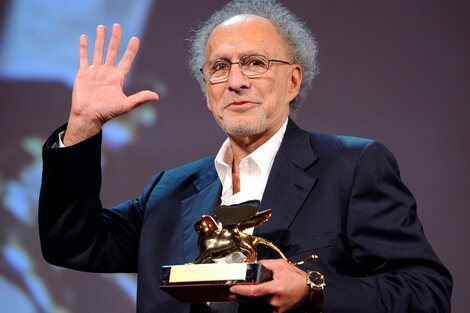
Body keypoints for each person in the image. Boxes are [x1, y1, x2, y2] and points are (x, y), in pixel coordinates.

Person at [38, 0, 452, 312]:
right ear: (206, 91)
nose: (235, 81)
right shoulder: (169, 190)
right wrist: (82, 127)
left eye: (255, 63)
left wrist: (313, 289)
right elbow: (72, 243)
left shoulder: (353, 166)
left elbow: (425, 291)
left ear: (293, 81)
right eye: (219, 67)